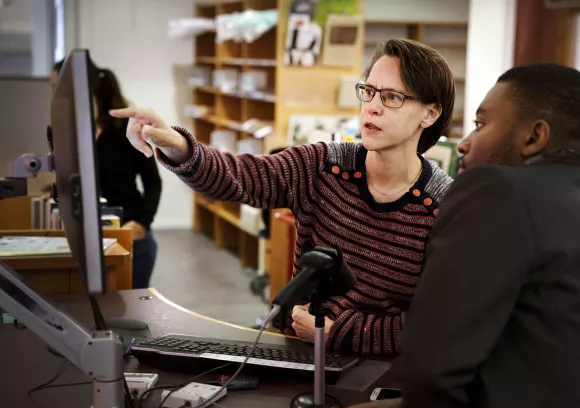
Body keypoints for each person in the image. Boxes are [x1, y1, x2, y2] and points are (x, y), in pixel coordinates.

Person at [110, 38, 456, 355]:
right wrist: (176, 143)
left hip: (381, 377)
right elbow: (241, 177)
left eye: (392, 97)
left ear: (430, 112)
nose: (373, 108)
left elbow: (436, 324)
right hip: (300, 354)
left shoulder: (444, 207)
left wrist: (332, 331)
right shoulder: (324, 165)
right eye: (369, 91)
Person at [335, 63, 580, 408]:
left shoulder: (495, 188)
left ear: (533, 137)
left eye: (480, 125)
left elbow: (435, 361)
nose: (463, 143)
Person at [51, 59, 162, 289]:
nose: (55, 98)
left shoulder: (127, 131)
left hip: (129, 233)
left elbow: (153, 183)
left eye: (57, 90)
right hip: (88, 237)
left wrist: (142, 223)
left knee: (131, 314)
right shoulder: (73, 132)